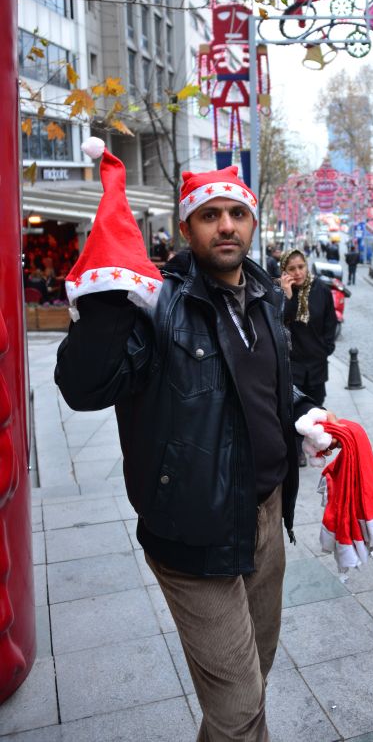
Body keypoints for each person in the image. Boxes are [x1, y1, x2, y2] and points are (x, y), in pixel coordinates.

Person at [55, 155, 335, 742]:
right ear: (188, 229)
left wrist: (304, 410)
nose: (226, 225)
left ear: (253, 223)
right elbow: (85, 388)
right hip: (193, 528)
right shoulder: (158, 306)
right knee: (238, 705)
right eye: (210, 215)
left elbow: (265, 385)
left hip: (265, 515)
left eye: (237, 212)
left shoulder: (264, 296)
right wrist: (109, 297)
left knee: (255, 677)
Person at [279, 249, 338, 466]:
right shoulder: (281, 292)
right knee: (292, 407)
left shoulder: (320, 289)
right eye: (291, 268)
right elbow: (280, 321)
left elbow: (330, 321)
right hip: (292, 362)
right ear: (284, 271)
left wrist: (326, 347)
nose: (297, 272)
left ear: (307, 265)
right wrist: (287, 294)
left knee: (316, 404)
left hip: (316, 361)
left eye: (301, 267)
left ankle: (310, 444)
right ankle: (296, 450)